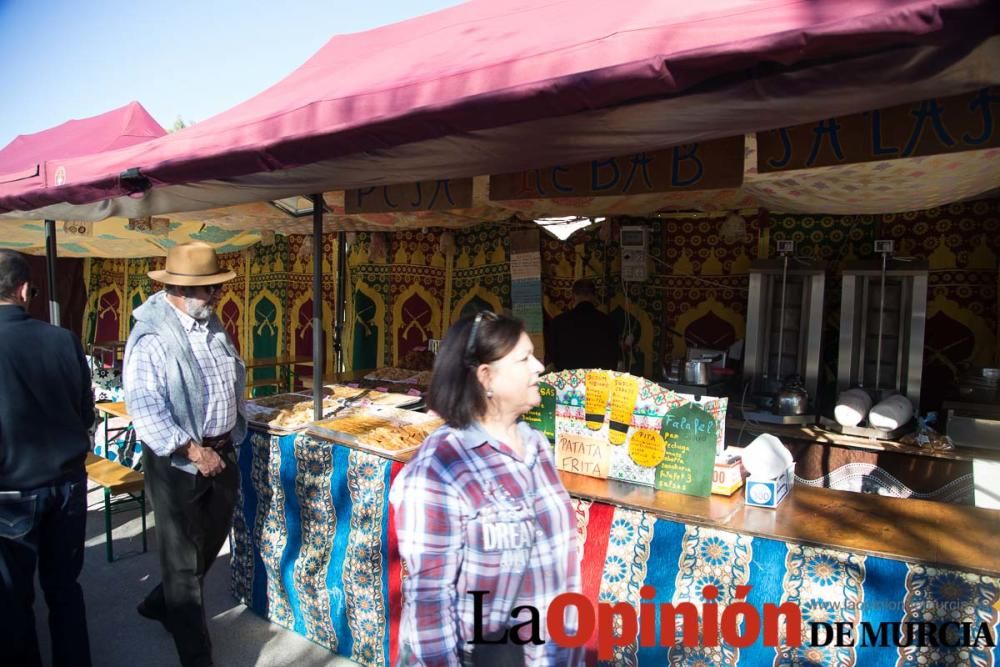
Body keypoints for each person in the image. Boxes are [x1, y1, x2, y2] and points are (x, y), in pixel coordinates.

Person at [391, 311, 582, 666]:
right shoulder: (441, 467)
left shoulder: (537, 445)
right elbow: (430, 601)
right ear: (486, 377)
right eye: (525, 358)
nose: (539, 366)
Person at [123, 242, 246, 667]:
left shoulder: (210, 325)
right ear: (180, 288)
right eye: (208, 289)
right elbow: (145, 408)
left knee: (210, 542)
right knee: (181, 563)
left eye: (215, 289)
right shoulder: (153, 336)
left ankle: (161, 603)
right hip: (180, 461)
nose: (216, 296)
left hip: (221, 452)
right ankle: (197, 657)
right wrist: (193, 450)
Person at [0, 249, 94, 667]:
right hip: (67, 486)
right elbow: (86, 411)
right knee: (64, 590)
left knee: (13, 600)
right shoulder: (63, 339)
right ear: (24, 290)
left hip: (10, 492)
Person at [546, 278, 619, 371]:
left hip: (568, 382)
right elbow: (614, 360)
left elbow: (550, 361)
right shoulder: (608, 322)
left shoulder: (558, 322)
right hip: (599, 382)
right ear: (594, 296)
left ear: (573, 296)